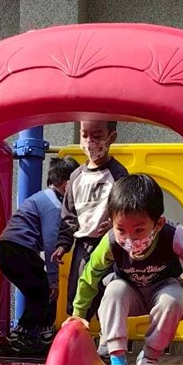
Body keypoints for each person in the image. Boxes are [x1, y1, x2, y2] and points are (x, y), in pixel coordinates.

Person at [67, 173, 183, 365]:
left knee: (172, 299)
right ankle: (118, 362)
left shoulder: (174, 236)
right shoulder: (111, 242)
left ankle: (150, 357)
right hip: (129, 291)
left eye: (139, 230)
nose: (130, 239)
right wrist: (78, 313)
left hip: (162, 288)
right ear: (112, 223)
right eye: (121, 229)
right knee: (113, 290)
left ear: (158, 224)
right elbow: (89, 274)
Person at [0, 155, 79, 353]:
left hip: (8, 249)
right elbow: (51, 244)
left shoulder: (43, 197)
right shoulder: (54, 205)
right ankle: (23, 334)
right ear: (67, 184)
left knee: (37, 291)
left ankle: (41, 332)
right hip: (18, 249)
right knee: (44, 290)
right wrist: (54, 279)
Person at [52, 120, 128, 322]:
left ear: (111, 137)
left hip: (108, 244)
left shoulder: (118, 174)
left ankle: (107, 333)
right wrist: (63, 244)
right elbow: (69, 215)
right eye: (84, 135)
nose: (90, 142)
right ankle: (76, 328)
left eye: (97, 136)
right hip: (82, 245)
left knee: (107, 290)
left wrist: (114, 224)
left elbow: (125, 208)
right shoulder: (76, 176)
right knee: (78, 291)